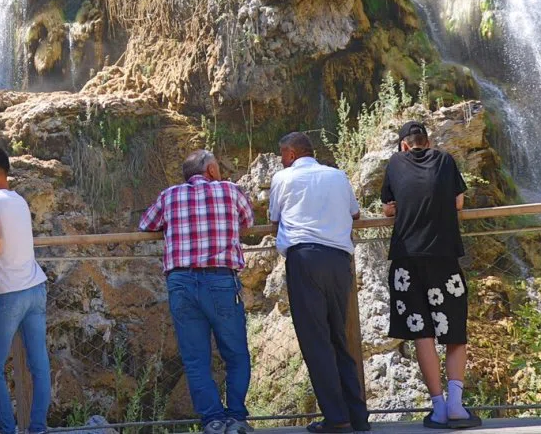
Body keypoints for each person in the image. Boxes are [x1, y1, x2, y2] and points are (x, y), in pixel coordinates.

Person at [139, 149, 254, 434]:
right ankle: (236, 419)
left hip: (181, 282)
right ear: (211, 170)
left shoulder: (169, 196)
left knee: (195, 358)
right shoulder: (230, 190)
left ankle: (212, 420)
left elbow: (146, 225)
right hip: (221, 280)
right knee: (236, 353)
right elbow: (248, 220)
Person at [381, 121, 479, 430]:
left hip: (406, 260)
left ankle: (437, 409)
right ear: (428, 141)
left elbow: (388, 209)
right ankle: (456, 406)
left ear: (404, 145)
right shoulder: (445, 159)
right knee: (454, 330)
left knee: (422, 332)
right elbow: (458, 201)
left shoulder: (395, 163)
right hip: (443, 257)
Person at [269, 133, 369, 433]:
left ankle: (337, 418)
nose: (281, 160)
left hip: (305, 260)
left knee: (316, 341)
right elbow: (355, 213)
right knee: (339, 337)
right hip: (339, 261)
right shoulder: (338, 175)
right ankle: (358, 417)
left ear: (291, 153)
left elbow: (274, 219)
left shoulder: (283, 178)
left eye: (282, 154)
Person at [0, 147, 50, 434]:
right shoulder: (19, 201)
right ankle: (37, 428)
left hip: (8, 294)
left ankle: (7, 430)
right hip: (35, 288)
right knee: (39, 366)